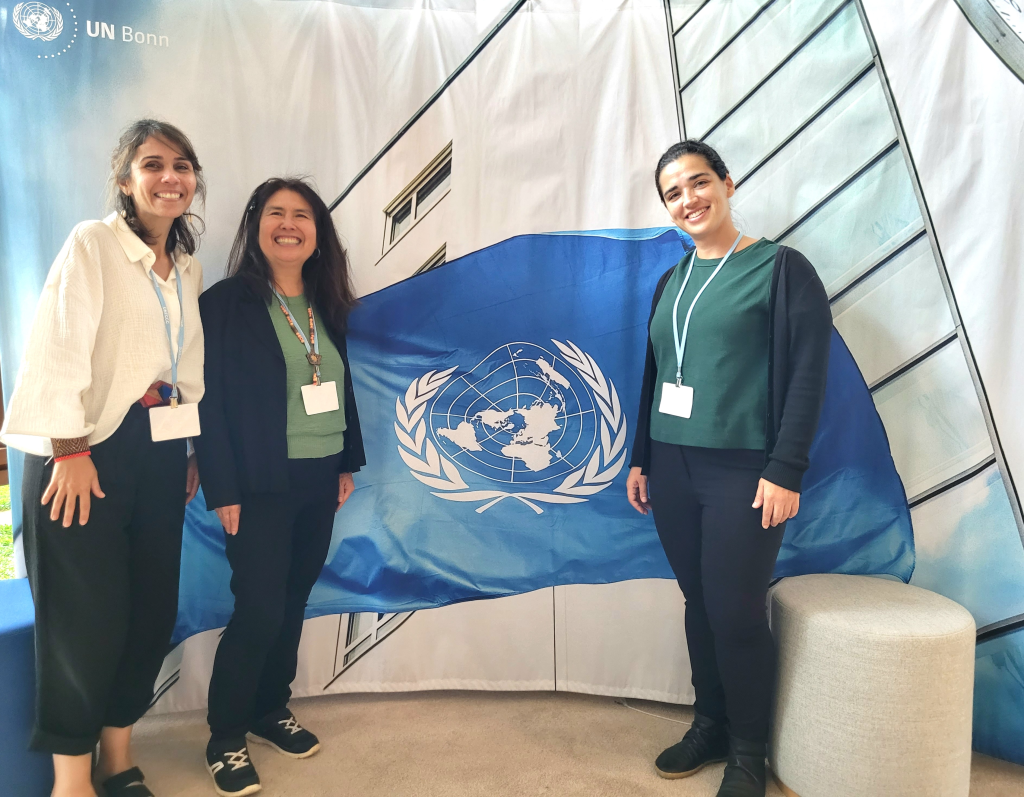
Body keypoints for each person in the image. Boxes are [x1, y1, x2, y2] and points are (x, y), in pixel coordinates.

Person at [0, 120, 206, 797]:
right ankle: (71, 780)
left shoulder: (187, 267)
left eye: (182, 165)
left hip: (160, 447)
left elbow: (184, 368)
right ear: (125, 180)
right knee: (83, 622)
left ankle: (117, 757)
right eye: (153, 164)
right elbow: (57, 344)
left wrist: (187, 447)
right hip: (84, 448)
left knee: (150, 610)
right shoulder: (93, 243)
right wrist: (69, 448)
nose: (170, 176)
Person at [626, 141, 831, 797]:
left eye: (698, 182)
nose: (688, 199)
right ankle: (710, 723)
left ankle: (748, 751)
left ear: (727, 183)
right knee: (698, 601)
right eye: (673, 193)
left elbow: (808, 376)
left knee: (736, 611)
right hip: (671, 467)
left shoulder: (782, 269)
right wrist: (640, 457)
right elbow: (656, 372)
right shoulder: (671, 281)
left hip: (744, 469)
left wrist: (787, 468)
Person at [195, 177, 365, 797]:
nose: (289, 224)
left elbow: (340, 386)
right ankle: (224, 735)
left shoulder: (326, 301)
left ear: (318, 234)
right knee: (260, 608)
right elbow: (208, 404)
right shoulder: (225, 304)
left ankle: (270, 708)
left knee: (293, 601)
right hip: (258, 483)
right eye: (276, 213)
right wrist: (223, 487)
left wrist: (345, 461)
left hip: (321, 477)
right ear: (255, 226)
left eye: (302, 215)